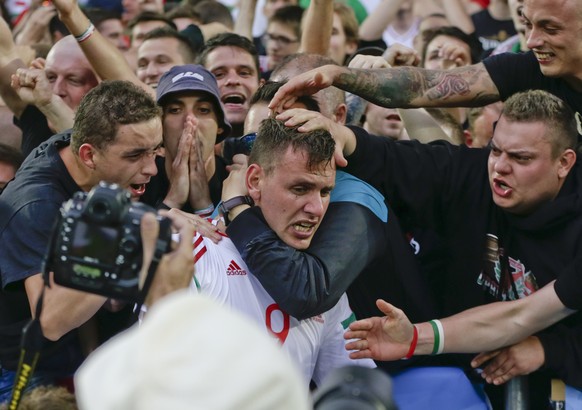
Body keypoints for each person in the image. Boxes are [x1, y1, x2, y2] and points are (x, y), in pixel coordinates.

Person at [301, 89, 580, 404]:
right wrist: (343, 136)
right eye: (495, 150)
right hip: (462, 376)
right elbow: (396, 161)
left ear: (564, 163)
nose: (500, 167)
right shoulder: (472, 173)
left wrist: (548, 350)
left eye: (521, 158)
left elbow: (521, 317)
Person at [0, 80, 162, 402]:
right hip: (19, 370)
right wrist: (132, 236)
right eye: (135, 155)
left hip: (74, 358)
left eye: (155, 150)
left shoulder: (74, 146)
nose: (152, 168)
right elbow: (51, 320)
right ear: (88, 155)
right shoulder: (36, 206)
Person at [192, 117, 375, 385]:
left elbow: (356, 388)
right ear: (254, 181)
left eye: (325, 192)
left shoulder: (321, 277)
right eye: (300, 189)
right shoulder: (193, 255)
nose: (316, 209)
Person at [268, 0, 582, 133]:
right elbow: (425, 86)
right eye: (528, 25)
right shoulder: (526, 68)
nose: (531, 41)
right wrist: (339, 74)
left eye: (550, 29)